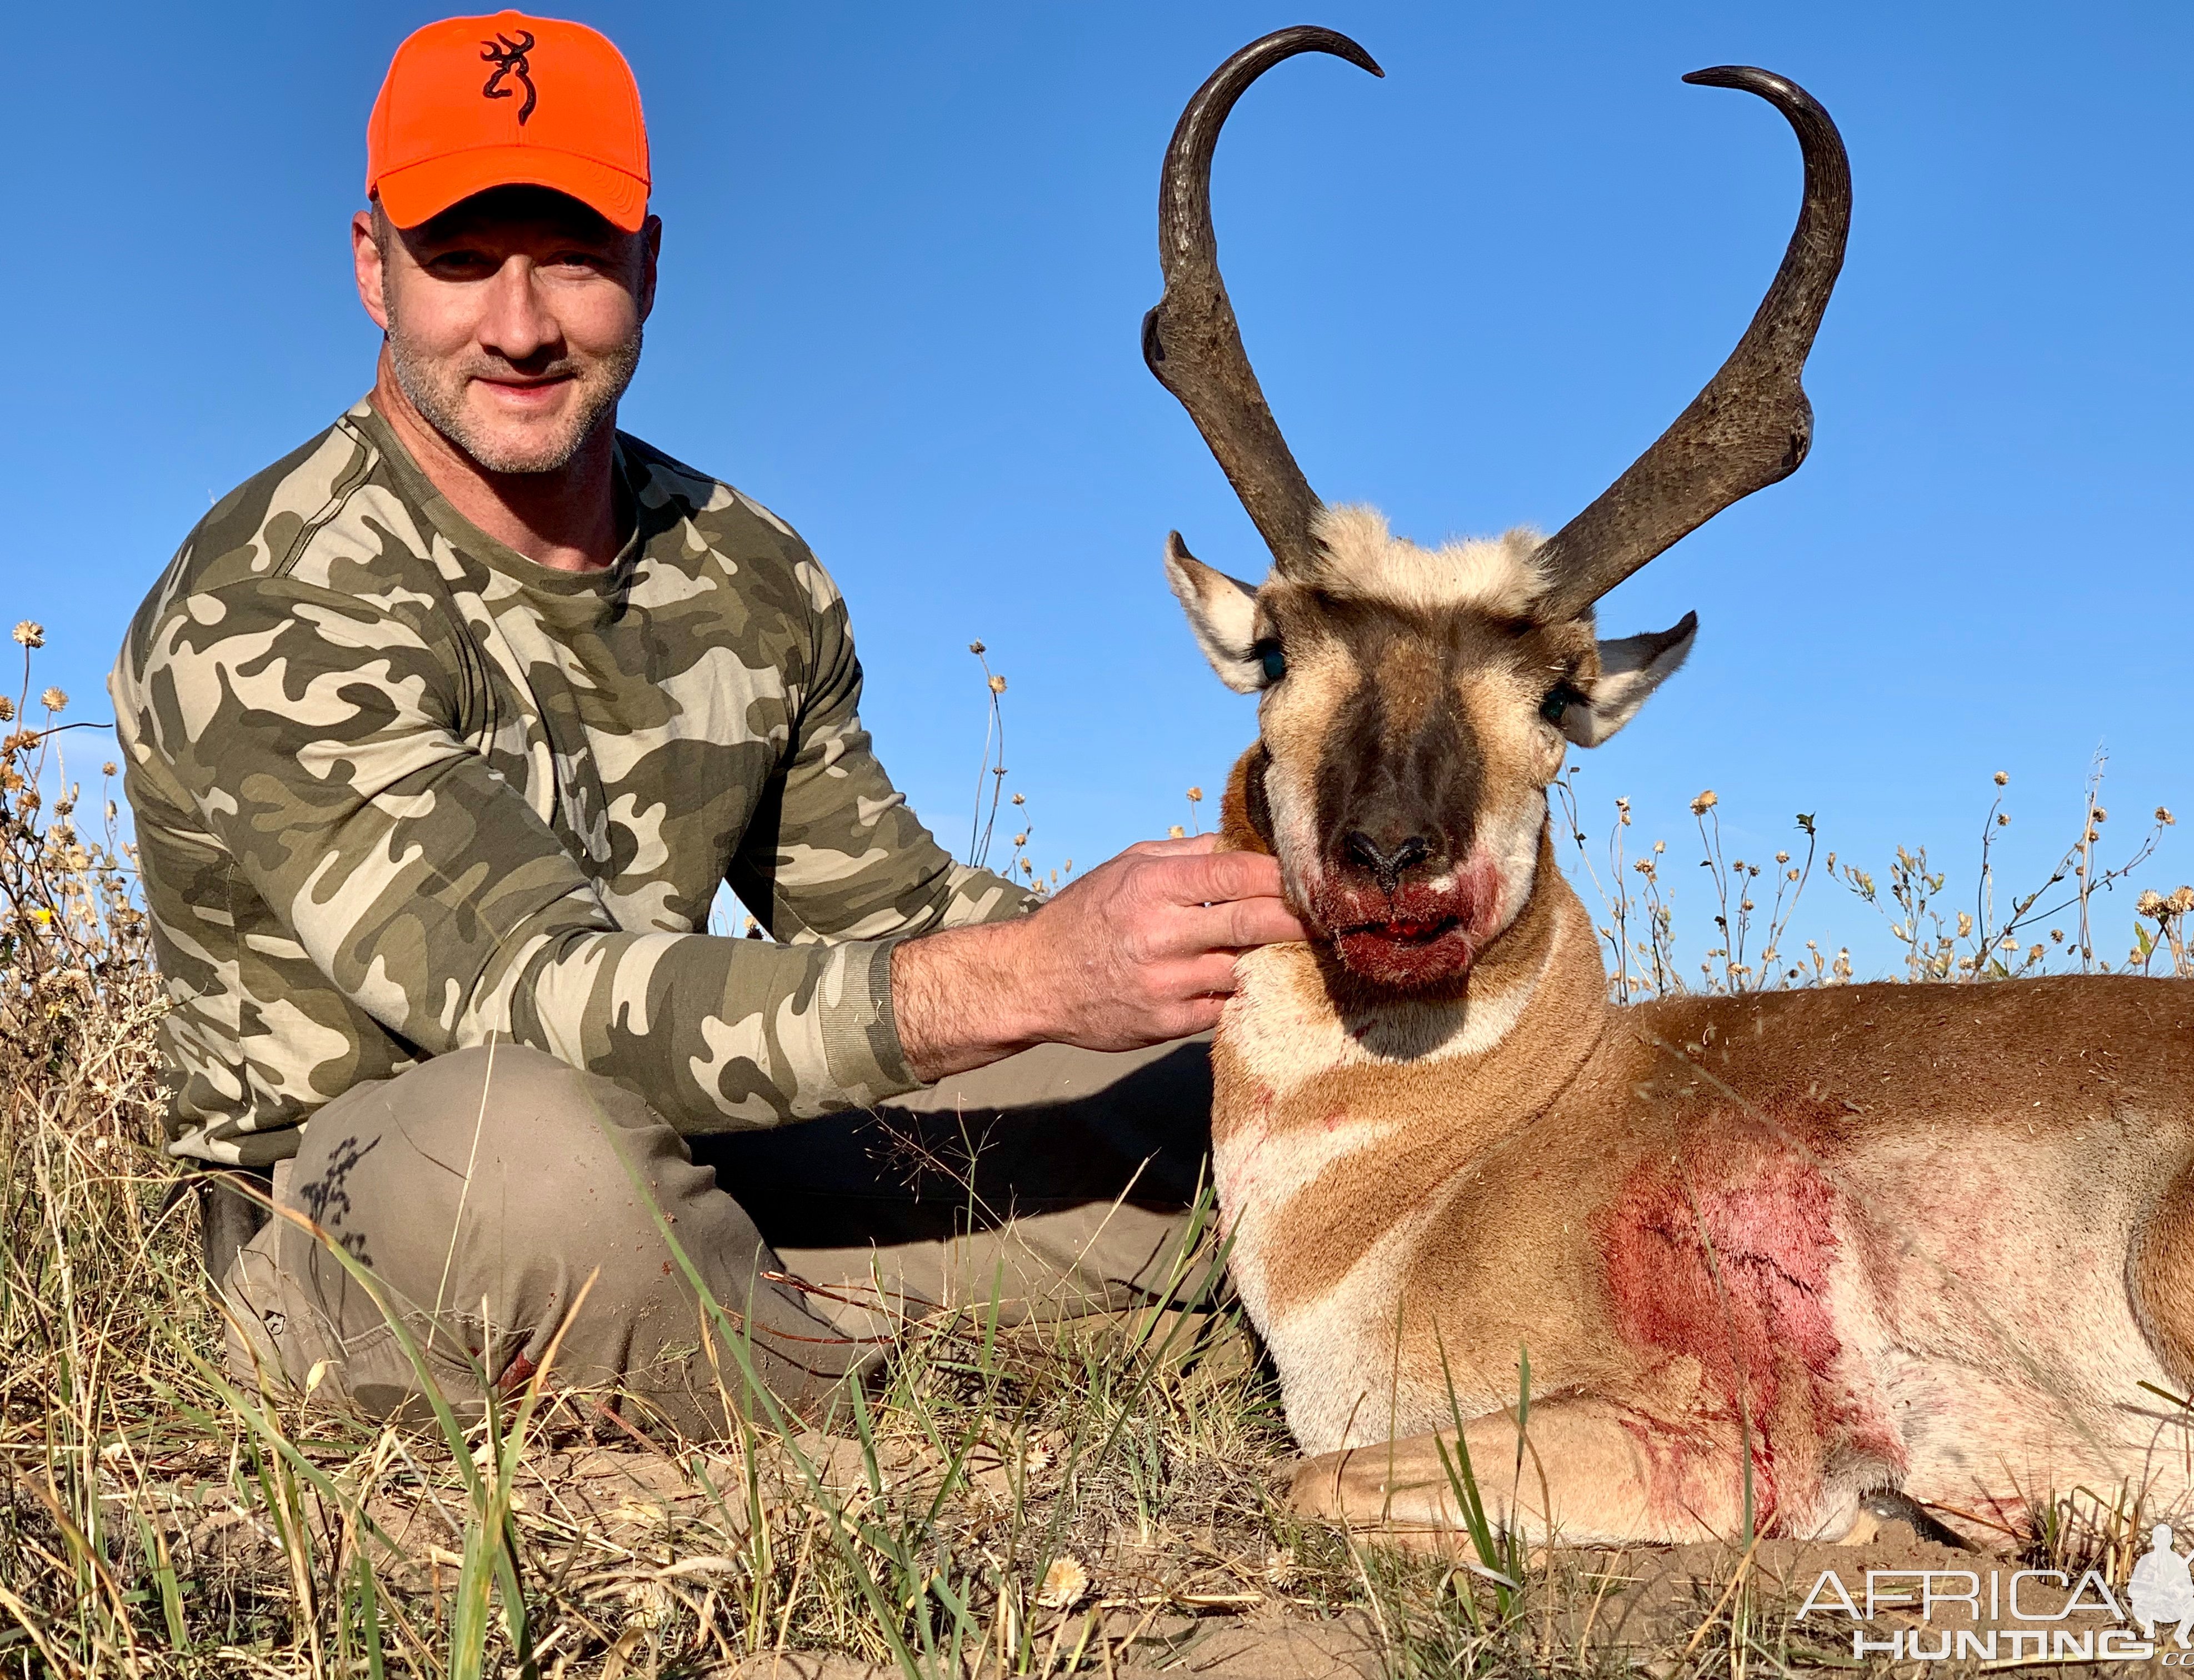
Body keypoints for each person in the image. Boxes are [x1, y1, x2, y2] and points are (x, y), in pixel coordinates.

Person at [109, 11, 1302, 1437]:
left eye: (572, 254)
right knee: (528, 1160)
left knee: (1199, 1085)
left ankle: (763, 1326)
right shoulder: (267, 598)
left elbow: (890, 912)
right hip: (360, 1196)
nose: (521, 323)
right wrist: (1027, 978)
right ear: (373, 266)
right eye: (461, 257)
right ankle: (915, 1393)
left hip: (702, 1152)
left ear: (651, 267)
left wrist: (1208, 960)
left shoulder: (746, 567)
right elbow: (523, 998)